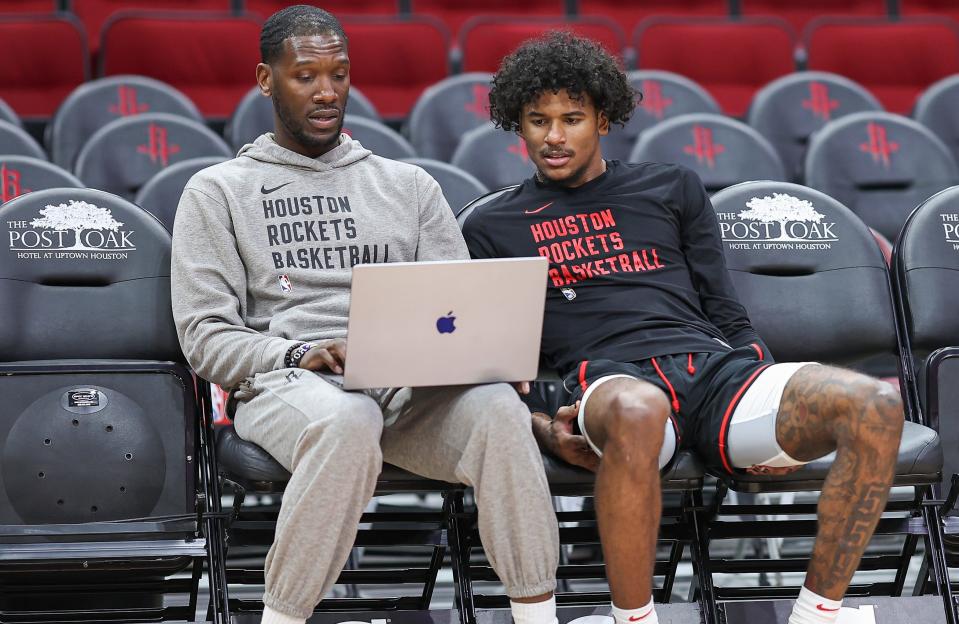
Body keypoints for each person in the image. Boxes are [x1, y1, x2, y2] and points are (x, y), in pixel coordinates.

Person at [461, 31, 904, 624]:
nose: (555, 137)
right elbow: (496, 362)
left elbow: (725, 310)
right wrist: (541, 427)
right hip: (608, 379)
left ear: (604, 119)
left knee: (874, 404)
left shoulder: (671, 186)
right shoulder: (494, 223)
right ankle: (634, 619)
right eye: (538, 121)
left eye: (572, 118)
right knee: (640, 410)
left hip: (715, 373)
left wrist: (769, 409)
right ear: (518, 125)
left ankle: (819, 612)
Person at [171, 7, 560, 624]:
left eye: (339, 74)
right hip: (290, 384)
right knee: (348, 418)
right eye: (305, 76)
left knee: (499, 412)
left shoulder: (408, 186)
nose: (327, 92)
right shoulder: (218, 190)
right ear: (266, 81)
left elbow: (458, 308)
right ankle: (283, 617)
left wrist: (484, 356)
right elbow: (204, 337)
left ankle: (536, 613)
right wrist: (297, 352)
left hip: (407, 391)